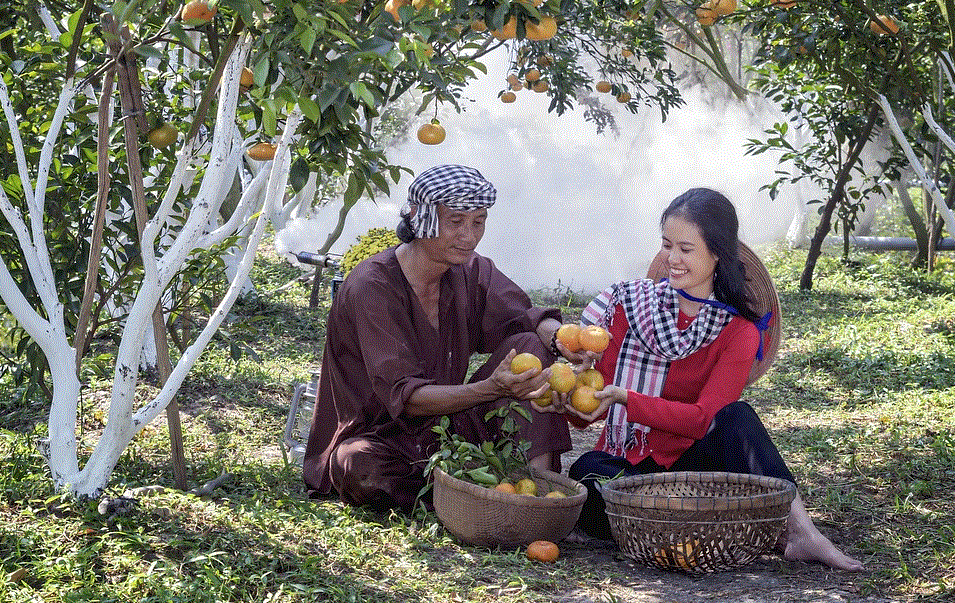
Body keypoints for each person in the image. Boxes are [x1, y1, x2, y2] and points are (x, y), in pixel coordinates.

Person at [563, 187, 863, 571]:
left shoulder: (739, 333)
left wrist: (627, 399)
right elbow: (592, 405)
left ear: (717, 252)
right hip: (627, 470)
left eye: (685, 249)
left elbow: (704, 419)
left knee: (738, 417)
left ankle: (802, 532)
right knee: (587, 474)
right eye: (667, 245)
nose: (672, 259)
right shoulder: (631, 309)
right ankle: (695, 528)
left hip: (695, 470)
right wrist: (574, 402)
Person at [302, 164, 578, 511]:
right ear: (421, 219)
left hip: (447, 430)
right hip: (379, 437)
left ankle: (536, 498)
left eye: (479, 222)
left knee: (530, 347)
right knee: (359, 466)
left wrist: (563, 340)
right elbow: (409, 397)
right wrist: (491, 388)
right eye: (456, 221)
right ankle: (466, 492)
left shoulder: (471, 269)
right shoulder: (372, 286)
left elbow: (524, 317)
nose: (469, 236)